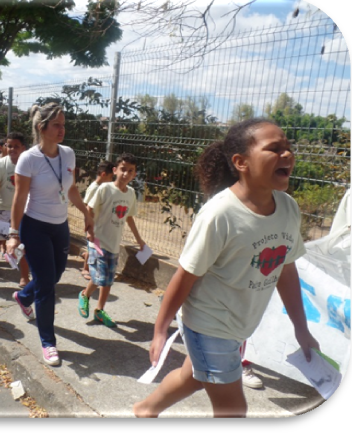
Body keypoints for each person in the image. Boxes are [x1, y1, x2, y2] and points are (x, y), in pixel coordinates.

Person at [133, 118, 320, 418]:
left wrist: (302, 328)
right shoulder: (219, 214)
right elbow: (185, 276)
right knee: (233, 408)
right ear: (241, 162)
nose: (287, 154)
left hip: (239, 324)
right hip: (208, 323)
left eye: (288, 147)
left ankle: (145, 409)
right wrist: (159, 330)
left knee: (193, 377)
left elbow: (286, 270)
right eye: (274, 148)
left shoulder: (288, 208)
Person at [7, 102, 94, 366]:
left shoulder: (68, 154)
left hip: (60, 226)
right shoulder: (28, 158)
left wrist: (86, 212)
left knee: (55, 275)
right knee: (46, 285)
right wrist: (13, 233)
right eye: (56, 125)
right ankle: (48, 342)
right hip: (34, 226)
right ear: (41, 127)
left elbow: (71, 189)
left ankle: (23, 296)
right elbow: (19, 198)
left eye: (63, 124)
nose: (61, 129)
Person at [78, 154, 144, 328]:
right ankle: (87, 297)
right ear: (115, 170)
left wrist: (139, 240)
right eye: (123, 169)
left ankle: (97, 308)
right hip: (98, 241)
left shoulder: (131, 193)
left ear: (134, 174)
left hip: (114, 244)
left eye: (130, 171)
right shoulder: (105, 189)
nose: (126, 174)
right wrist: (89, 231)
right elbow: (89, 209)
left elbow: (129, 217)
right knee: (101, 277)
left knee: (107, 279)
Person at [0, 132, 30, 286]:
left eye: (16, 146)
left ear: (23, 148)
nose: (12, 149)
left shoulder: (29, 164)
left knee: (22, 243)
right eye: (9, 146)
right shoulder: (0, 164)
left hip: (23, 211)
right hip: (2, 210)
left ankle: (24, 276)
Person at [80, 160, 115, 281]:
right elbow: (87, 206)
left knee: (95, 246)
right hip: (92, 223)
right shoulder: (94, 188)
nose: (112, 180)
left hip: (100, 223)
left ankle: (87, 258)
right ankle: (86, 268)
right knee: (91, 246)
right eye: (111, 177)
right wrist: (89, 223)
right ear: (104, 174)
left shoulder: (103, 188)